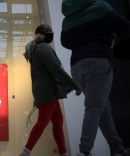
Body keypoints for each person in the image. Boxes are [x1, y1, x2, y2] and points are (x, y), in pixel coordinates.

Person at [61, 0, 130, 156]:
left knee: (102, 108)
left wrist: (81, 40)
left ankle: (118, 148)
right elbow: (125, 27)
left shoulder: (68, 17)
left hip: (77, 67)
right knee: (94, 107)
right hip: (98, 62)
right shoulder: (100, 7)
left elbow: (65, 42)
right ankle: (84, 151)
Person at [19, 24, 81, 156]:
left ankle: (63, 153)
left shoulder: (34, 49)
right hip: (48, 89)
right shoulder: (43, 47)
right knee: (43, 121)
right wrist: (74, 84)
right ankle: (25, 153)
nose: (50, 32)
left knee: (58, 121)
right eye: (48, 31)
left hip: (43, 89)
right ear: (40, 33)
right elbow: (56, 69)